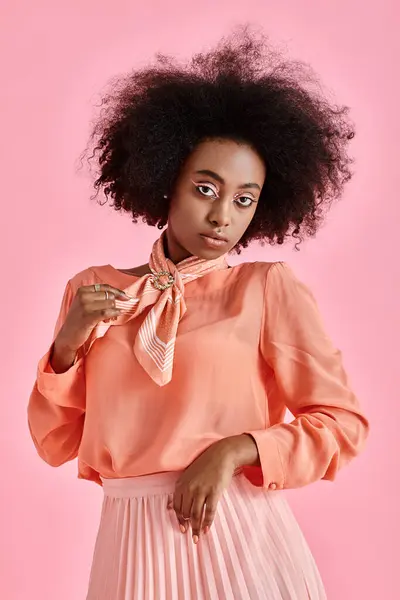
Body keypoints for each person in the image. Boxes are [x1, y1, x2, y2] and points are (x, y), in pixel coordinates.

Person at [28, 27, 369, 600]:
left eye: (244, 199)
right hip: (129, 543)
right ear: (167, 182)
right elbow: (55, 441)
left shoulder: (266, 289)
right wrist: (67, 345)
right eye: (205, 188)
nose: (222, 216)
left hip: (238, 534)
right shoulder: (92, 293)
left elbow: (342, 424)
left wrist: (234, 450)